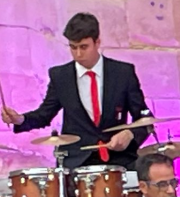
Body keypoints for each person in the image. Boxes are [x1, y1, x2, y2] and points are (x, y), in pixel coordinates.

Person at [3, 13, 150, 171]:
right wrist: (20, 119)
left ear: (97, 42)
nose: (78, 54)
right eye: (73, 47)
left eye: (83, 47)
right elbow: (44, 114)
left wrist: (130, 133)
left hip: (119, 161)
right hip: (77, 162)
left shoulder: (123, 73)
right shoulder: (60, 76)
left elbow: (145, 118)